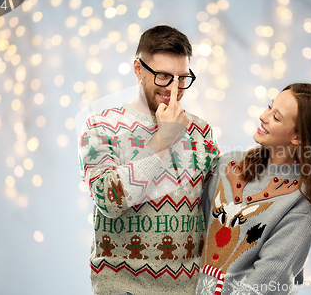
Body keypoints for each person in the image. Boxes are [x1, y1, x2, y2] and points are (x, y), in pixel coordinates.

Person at [78, 25, 220, 295]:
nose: (174, 88)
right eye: (164, 76)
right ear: (138, 69)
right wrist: (163, 140)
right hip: (123, 289)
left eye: (182, 78)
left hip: (190, 290)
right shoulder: (102, 126)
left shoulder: (201, 131)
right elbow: (109, 199)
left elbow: (216, 211)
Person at [195, 83, 311, 295]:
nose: (263, 116)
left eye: (276, 117)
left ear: (298, 137)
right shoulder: (226, 164)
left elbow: (266, 281)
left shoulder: (300, 201)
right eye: (269, 107)